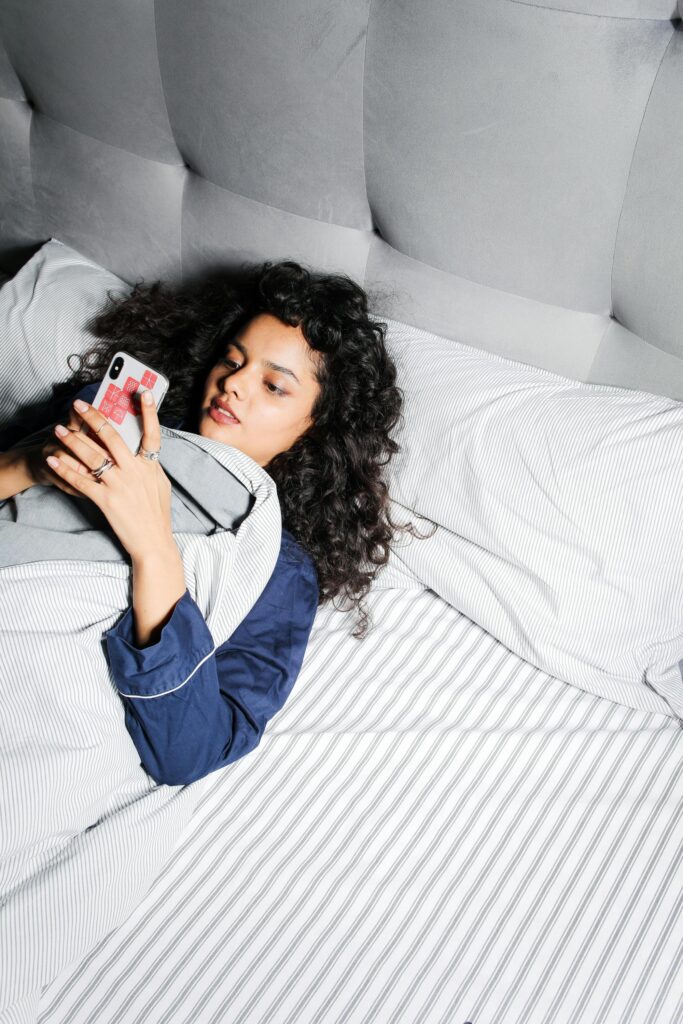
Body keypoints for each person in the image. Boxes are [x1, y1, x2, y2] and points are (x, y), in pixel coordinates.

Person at [0, 260, 418, 786]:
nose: (234, 383)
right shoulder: (105, 417)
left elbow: (190, 751)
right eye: (232, 359)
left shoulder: (279, 568)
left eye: (274, 386)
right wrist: (34, 464)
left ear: (315, 426)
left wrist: (153, 548)